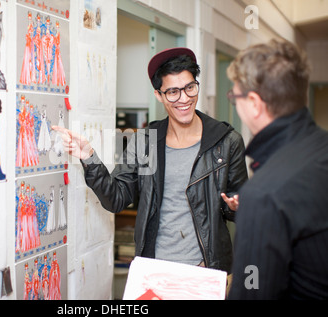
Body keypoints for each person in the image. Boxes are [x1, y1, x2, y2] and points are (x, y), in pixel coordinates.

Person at [53, 47, 248, 274]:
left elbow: (236, 206)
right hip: (154, 267)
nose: (184, 99)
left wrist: (237, 206)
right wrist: (89, 157)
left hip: (204, 268)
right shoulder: (146, 141)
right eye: (173, 92)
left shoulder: (226, 141)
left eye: (189, 88)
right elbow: (116, 199)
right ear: (159, 94)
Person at [226, 39, 328, 299]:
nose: (235, 104)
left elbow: (252, 289)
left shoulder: (263, 194)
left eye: (234, 96)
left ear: (254, 103)